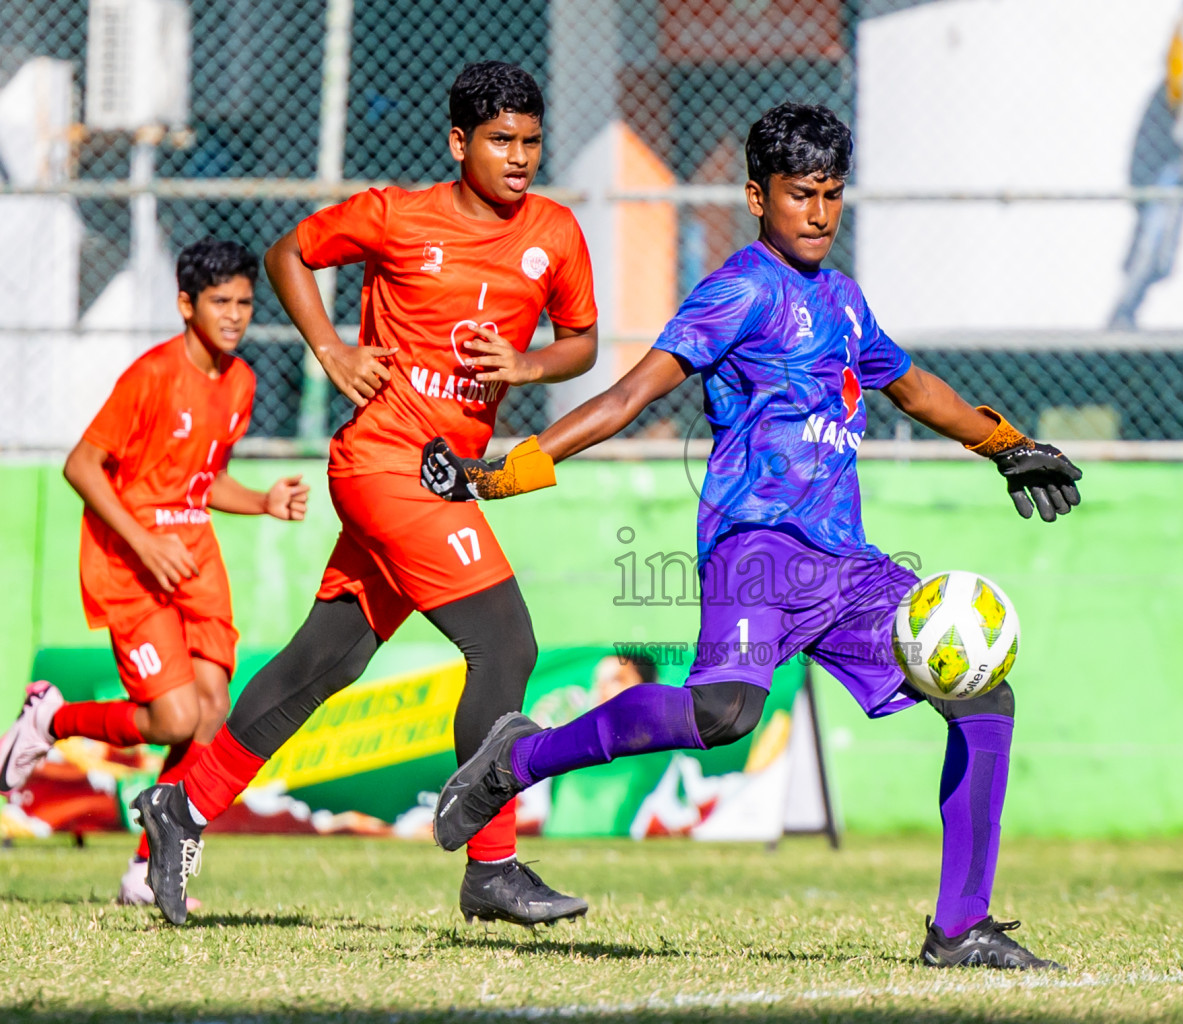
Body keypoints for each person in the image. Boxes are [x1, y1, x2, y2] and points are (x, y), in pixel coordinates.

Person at [421, 103, 1082, 970]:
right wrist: (505, 472)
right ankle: (521, 757)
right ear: (755, 196)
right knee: (725, 714)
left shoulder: (844, 301)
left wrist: (1007, 445)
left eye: (833, 195)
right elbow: (628, 397)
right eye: (801, 194)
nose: (818, 212)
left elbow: (914, 388)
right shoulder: (739, 289)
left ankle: (961, 927)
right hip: (757, 549)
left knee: (984, 695)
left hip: (846, 565)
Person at [132, 61, 598, 927]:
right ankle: (490, 869)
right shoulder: (398, 215)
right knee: (506, 642)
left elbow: (583, 342)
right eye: (501, 141)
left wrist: (532, 364)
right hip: (388, 463)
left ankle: (181, 806)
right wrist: (331, 351)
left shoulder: (556, 234)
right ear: (460, 143)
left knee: (327, 662)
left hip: (447, 471)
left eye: (532, 141)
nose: (520, 157)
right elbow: (289, 253)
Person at [0, 239, 309, 906]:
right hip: (132, 564)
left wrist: (260, 502)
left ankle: (145, 869)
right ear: (185, 304)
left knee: (209, 715)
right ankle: (52, 719)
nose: (234, 315)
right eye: (220, 302)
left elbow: (204, 480)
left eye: (244, 303)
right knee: (171, 719)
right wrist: (143, 542)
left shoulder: (241, 381)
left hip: (195, 562)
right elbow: (81, 465)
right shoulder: (151, 376)